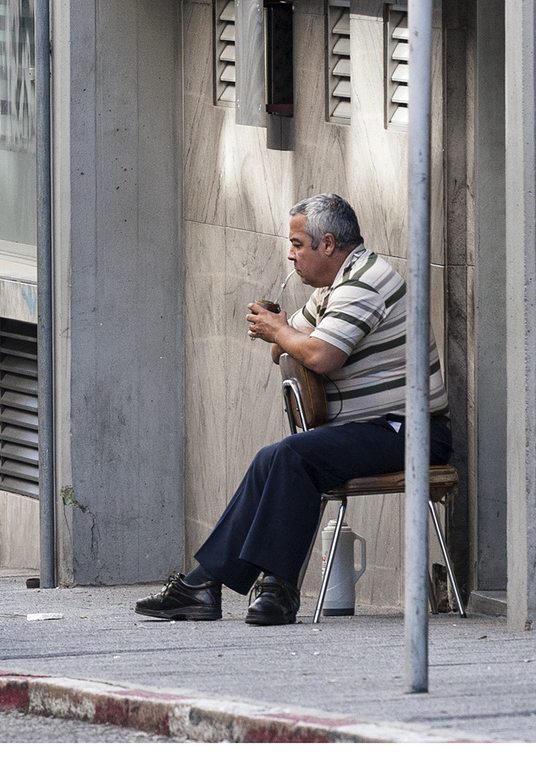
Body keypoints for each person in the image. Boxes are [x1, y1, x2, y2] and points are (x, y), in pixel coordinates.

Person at [136, 193, 450, 625]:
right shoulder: (334, 286)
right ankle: (205, 586)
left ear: (327, 243)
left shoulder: (365, 283)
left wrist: (281, 331)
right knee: (274, 458)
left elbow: (320, 356)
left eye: (298, 245)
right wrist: (280, 331)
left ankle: (278, 588)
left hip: (408, 430)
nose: (291, 254)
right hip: (373, 429)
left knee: (293, 454)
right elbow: (283, 350)